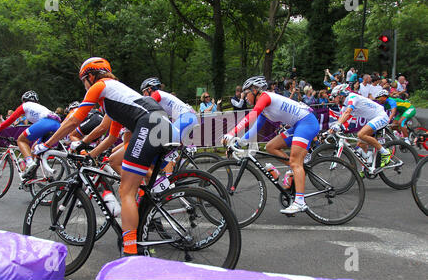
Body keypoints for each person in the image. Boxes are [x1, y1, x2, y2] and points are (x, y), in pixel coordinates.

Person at [33, 57, 172, 257]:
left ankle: (131, 250)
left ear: (90, 76)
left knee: (126, 190)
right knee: (139, 182)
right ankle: (146, 219)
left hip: (149, 124)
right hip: (160, 123)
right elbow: (106, 131)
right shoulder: (114, 93)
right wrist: (85, 147)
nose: (84, 85)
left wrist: (47, 144)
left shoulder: (100, 86)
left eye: (83, 81)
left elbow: (73, 120)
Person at [222, 76, 320, 215]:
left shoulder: (265, 97)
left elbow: (252, 115)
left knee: (295, 161)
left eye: (246, 93)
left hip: (307, 123)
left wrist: (232, 133)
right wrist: (236, 143)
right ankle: (293, 172)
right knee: (270, 147)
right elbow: (253, 131)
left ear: (255, 90)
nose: (245, 98)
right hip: (298, 125)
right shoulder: (264, 110)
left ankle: (300, 202)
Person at [0, 91, 61, 178]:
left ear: (24, 100)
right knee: (34, 148)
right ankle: (31, 175)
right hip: (57, 124)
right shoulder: (39, 107)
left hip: (47, 122)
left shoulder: (25, 105)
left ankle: (30, 163)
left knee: (21, 140)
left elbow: (7, 122)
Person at [329, 86, 391, 172]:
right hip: (373, 119)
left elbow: (347, 113)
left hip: (381, 116)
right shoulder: (344, 106)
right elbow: (341, 119)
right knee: (360, 144)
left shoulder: (352, 97)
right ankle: (367, 167)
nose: (333, 99)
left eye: (334, 97)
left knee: (361, 134)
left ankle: (385, 153)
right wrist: (329, 132)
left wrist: (338, 124)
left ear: (341, 95)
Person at [140, 77, 198, 144]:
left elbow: (145, 108)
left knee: (164, 140)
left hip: (186, 117)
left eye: (144, 92)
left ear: (149, 89)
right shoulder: (161, 96)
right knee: (169, 145)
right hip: (188, 117)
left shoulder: (156, 94)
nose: (143, 95)